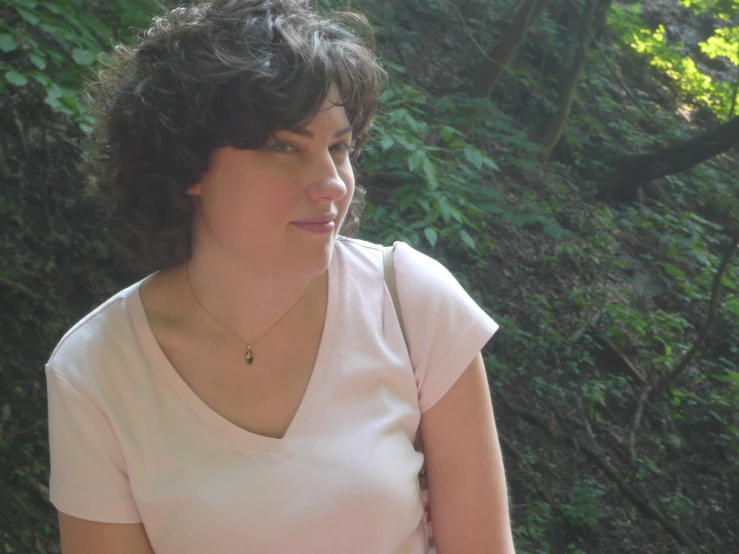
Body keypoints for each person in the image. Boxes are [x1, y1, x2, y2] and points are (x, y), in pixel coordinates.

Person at [45, 1, 516, 553]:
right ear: (187, 165)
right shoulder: (96, 370)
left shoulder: (411, 303)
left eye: (338, 147)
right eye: (285, 147)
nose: (333, 183)